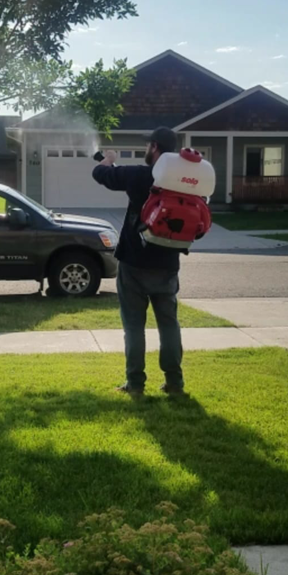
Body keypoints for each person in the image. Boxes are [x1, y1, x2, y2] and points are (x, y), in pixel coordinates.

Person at [92, 127, 185, 397]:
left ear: (154, 147)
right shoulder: (183, 181)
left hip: (133, 263)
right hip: (167, 264)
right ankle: (175, 383)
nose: (146, 149)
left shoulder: (140, 175)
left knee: (134, 327)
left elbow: (101, 174)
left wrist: (108, 159)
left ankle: (135, 385)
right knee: (169, 325)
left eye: (147, 146)